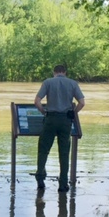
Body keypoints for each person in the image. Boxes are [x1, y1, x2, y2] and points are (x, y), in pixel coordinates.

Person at [34, 64, 85, 192]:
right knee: (64, 152)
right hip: (65, 120)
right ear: (65, 72)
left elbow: (37, 101)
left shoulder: (48, 82)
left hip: (50, 119)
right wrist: (73, 113)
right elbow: (82, 102)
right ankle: (63, 184)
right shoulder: (73, 83)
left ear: (54, 72)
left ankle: (40, 177)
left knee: (43, 149)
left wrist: (43, 112)